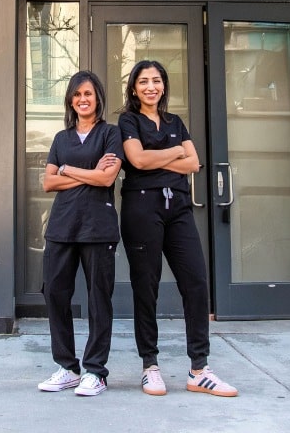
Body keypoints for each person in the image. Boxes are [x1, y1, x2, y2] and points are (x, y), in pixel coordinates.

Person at [118, 60, 238, 398]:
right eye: (143, 81)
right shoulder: (128, 121)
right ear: (134, 88)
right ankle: (150, 366)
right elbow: (137, 161)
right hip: (142, 209)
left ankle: (199, 368)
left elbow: (194, 163)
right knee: (147, 286)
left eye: (156, 80)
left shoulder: (176, 121)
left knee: (196, 282)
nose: (151, 87)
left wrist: (159, 157)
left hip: (179, 208)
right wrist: (173, 153)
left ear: (164, 86)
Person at [37, 70, 123, 397]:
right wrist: (89, 172)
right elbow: (47, 183)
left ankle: (96, 371)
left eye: (88, 93)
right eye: (77, 95)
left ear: (98, 97)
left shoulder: (111, 135)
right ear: (71, 101)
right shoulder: (61, 139)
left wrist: (67, 170)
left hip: (98, 228)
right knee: (55, 293)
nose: (82, 99)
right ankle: (68, 368)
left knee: (98, 299)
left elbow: (106, 179)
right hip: (61, 227)